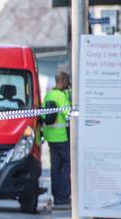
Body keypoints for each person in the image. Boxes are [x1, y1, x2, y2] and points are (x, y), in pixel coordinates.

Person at [43, 71, 72, 209]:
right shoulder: (62, 96)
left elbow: (43, 115)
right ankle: (64, 196)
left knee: (55, 168)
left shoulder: (49, 95)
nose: (69, 84)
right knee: (68, 165)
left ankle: (56, 196)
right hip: (61, 137)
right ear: (62, 81)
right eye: (67, 81)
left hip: (50, 138)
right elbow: (69, 114)